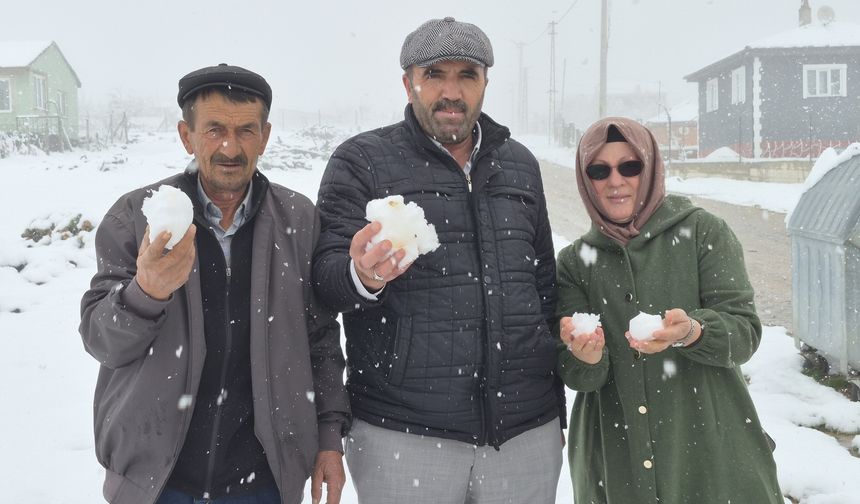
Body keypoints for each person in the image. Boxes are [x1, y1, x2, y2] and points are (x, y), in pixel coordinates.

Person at [312, 17, 565, 504]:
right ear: (408, 83)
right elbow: (324, 280)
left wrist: (554, 409)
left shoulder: (520, 164)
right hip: (403, 434)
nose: (451, 92)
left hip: (524, 432)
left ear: (485, 83)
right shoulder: (362, 160)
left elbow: (544, 289)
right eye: (434, 75)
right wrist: (361, 275)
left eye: (467, 75)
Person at [79, 64, 350, 504]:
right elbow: (101, 340)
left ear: (264, 136)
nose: (230, 146)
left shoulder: (298, 220)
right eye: (214, 130)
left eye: (246, 130)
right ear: (187, 136)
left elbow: (319, 338)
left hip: (264, 478)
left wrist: (328, 436)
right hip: (155, 481)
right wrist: (144, 293)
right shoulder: (138, 215)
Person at [556, 117, 783, 503]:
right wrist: (585, 356)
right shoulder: (575, 263)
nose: (616, 181)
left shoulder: (703, 233)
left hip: (710, 449)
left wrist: (693, 332)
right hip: (615, 458)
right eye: (599, 169)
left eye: (630, 166)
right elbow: (578, 375)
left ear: (651, 167)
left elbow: (743, 334)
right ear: (585, 179)